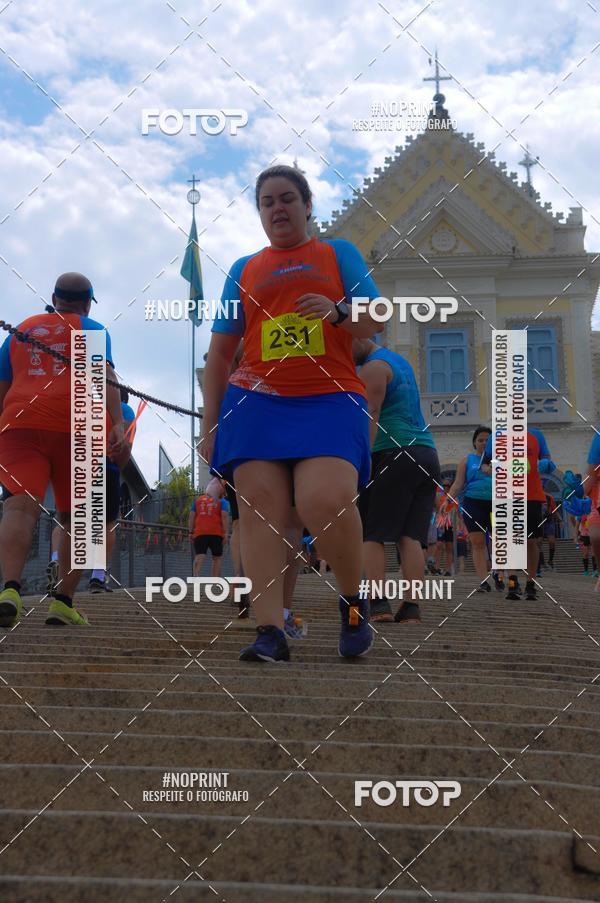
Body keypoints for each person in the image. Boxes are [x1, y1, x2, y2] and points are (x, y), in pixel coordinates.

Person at [200, 163, 382, 663]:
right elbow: (219, 355)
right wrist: (209, 425)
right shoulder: (244, 268)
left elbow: (379, 316)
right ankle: (269, 630)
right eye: (267, 202)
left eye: (287, 198)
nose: (277, 208)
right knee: (260, 510)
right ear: (260, 213)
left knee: (326, 499)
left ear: (306, 206)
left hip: (328, 398)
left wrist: (338, 311)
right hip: (256, 402)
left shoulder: (336, 252)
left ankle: (351, 604)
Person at [0, 273, 125, 627]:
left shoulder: (22, 329)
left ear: (54, 299)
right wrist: (118, 423)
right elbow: (107, 377)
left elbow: (2, 385)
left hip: (20, 422)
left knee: (19, 509)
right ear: (87, 303)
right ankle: (63, 603)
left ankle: (10, 590)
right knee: (81, 519)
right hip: (79, 425)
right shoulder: (93, 327)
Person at [354, 337, 440, 624]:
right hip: (426, 453)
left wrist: (360, 460)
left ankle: (378, 604)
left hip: (393, 451)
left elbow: (370, 415)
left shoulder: (373, 368)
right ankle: (411, 607)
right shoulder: (399, 362)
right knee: (410, 536)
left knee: (372, 533)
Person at [483, 427, 552, 601]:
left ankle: (531, 584)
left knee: (531, 540)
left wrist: (546, 464)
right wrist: (491, 468)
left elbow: (547, 458)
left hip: (532, 494)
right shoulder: (496, 437)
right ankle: (512, 583)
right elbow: (485, 462)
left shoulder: (536, 434)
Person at [89, 386, 136, 593]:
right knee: (107, 522)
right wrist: (118, 467)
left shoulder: (87, 403)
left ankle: (57, 566)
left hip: (80, 466)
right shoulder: (126, 411)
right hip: (107, 467)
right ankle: (97, 576)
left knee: (69, 519)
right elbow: (125, 447)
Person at [444, 426, 492, 592]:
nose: (484, 443)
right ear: (474, 443)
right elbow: (458, 484)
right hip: (474, 503)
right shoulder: (467, 460)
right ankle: (484, 580)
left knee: (500, 541)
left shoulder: (501, 459)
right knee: (478, 542)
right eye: (480, 440)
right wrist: (447, 500)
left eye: (488, 440)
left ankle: (499, 573)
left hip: (498, 503)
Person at [189, 481, 230, 579]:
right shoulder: (222, 502)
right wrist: (226, 533)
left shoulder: (198, 501)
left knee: (200, 555)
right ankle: (214, 580)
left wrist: (190, 531)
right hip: (216, 533)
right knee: (217, 557)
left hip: (199, 533)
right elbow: (224, 516)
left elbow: (191, 516)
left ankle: (195, 576)